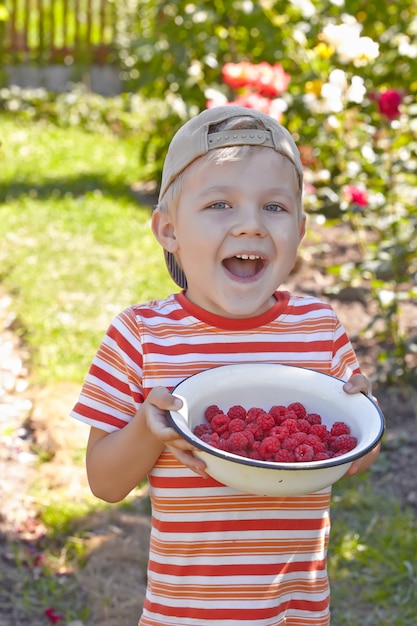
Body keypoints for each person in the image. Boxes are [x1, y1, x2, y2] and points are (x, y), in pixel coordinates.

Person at [71, 105, 380, 626]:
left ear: (301, 230)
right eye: (220, 203)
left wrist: (359, 418)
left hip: (298, 612)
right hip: (187, 615)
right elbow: (104, 483)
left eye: (275, 208)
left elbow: (350, 459)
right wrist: (150, 430)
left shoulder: (319, 329)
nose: (250, 226)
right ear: (168, 230)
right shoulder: (142, 336)